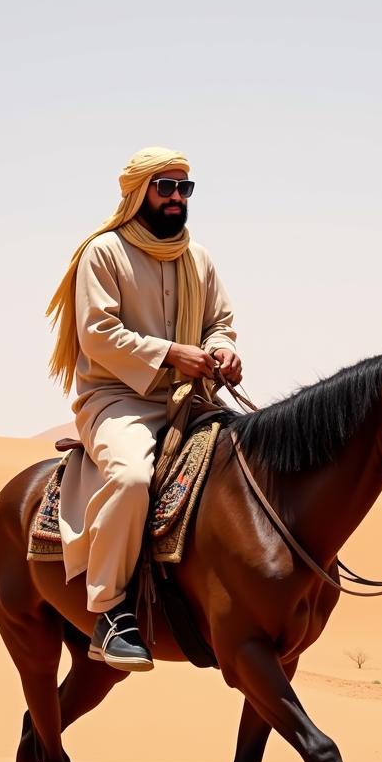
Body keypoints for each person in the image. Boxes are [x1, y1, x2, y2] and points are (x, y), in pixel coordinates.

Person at [45, 147, 242, 671]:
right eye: (166, 187)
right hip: (117, 397)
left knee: (249, 465)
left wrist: (223, 349)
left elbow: (220, 321)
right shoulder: (104, 252)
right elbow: (98, 333)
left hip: (190, 397)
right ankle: (109, 613)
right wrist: (170, 352)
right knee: (132, 477)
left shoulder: (197, 257)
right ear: (139, 193)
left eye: (185, 188)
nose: (177, 197)